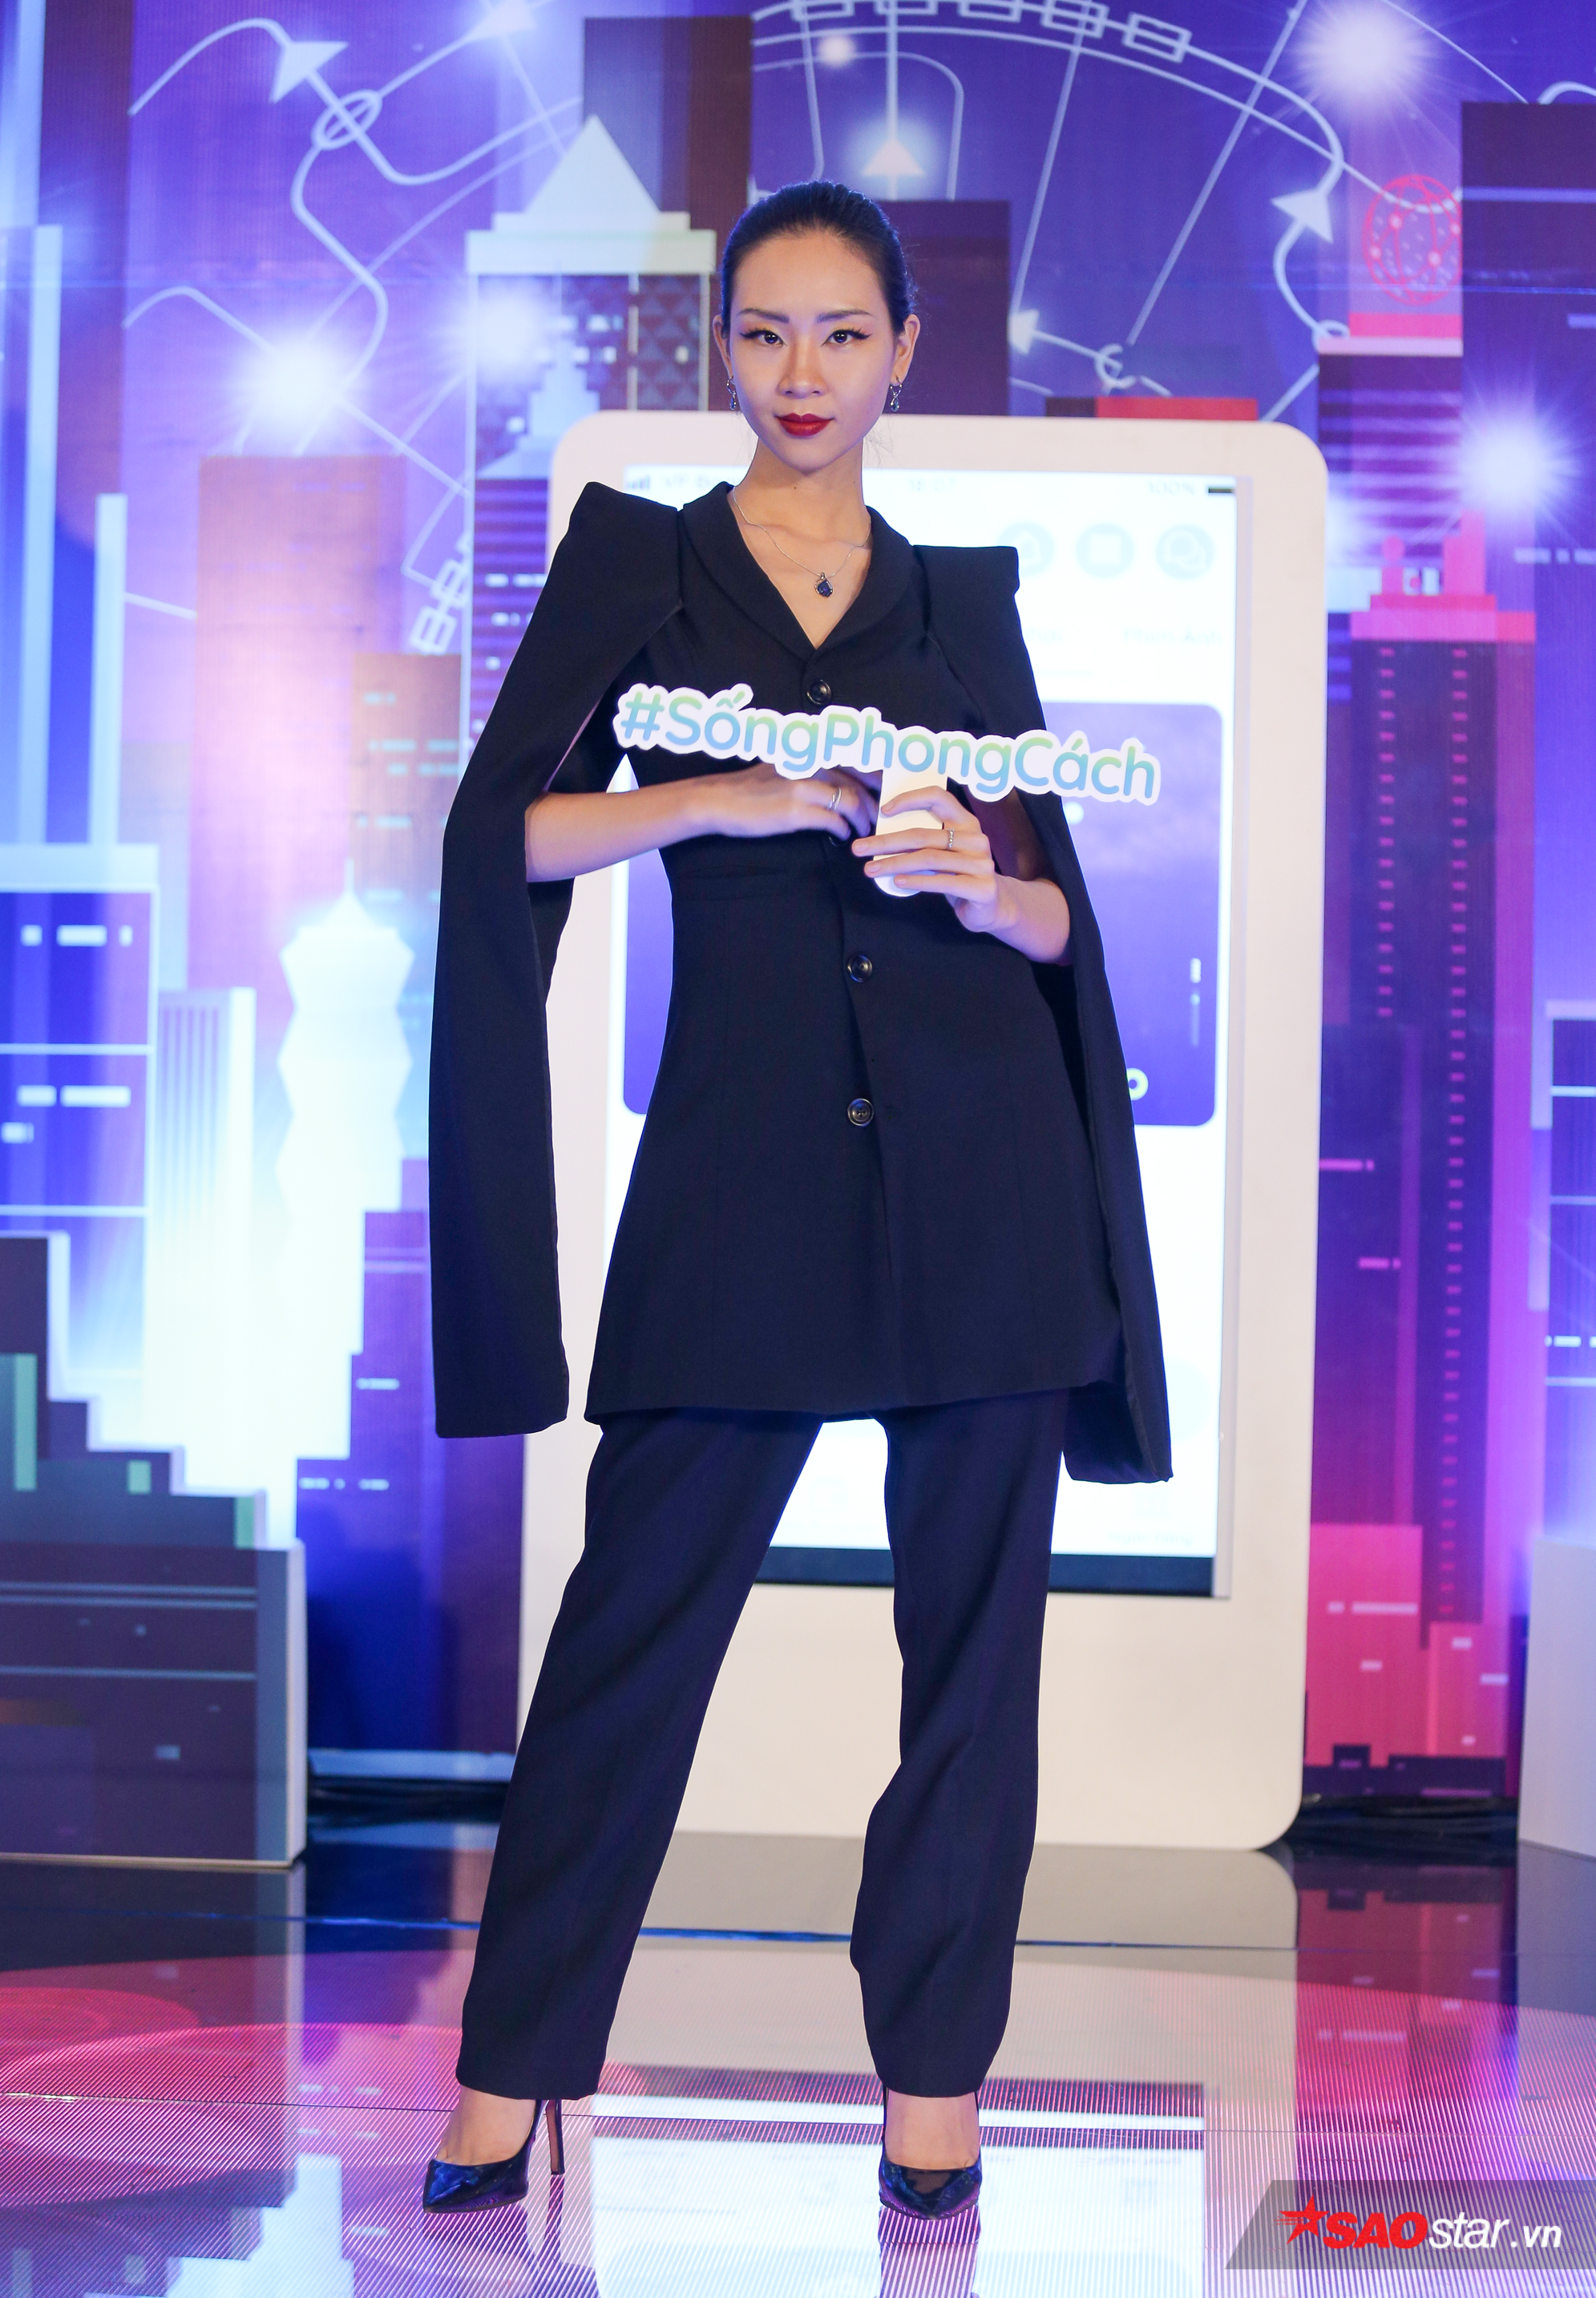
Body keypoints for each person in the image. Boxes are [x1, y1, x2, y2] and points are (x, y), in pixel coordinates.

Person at [421, 180, 1170, 2223]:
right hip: (738, 1180)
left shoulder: (961, 604)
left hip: (984, 1184)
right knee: (627, 1645)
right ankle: (512, 2067)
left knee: (971, 1674)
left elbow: (1057, 923)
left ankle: (934, 2085)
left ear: (904, 349)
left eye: (842, 332)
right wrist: (724, 796)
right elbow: (504, 834)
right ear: (722, 351)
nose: (801, 372)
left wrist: (983, 888)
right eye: (764, 333)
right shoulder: (644, 568)